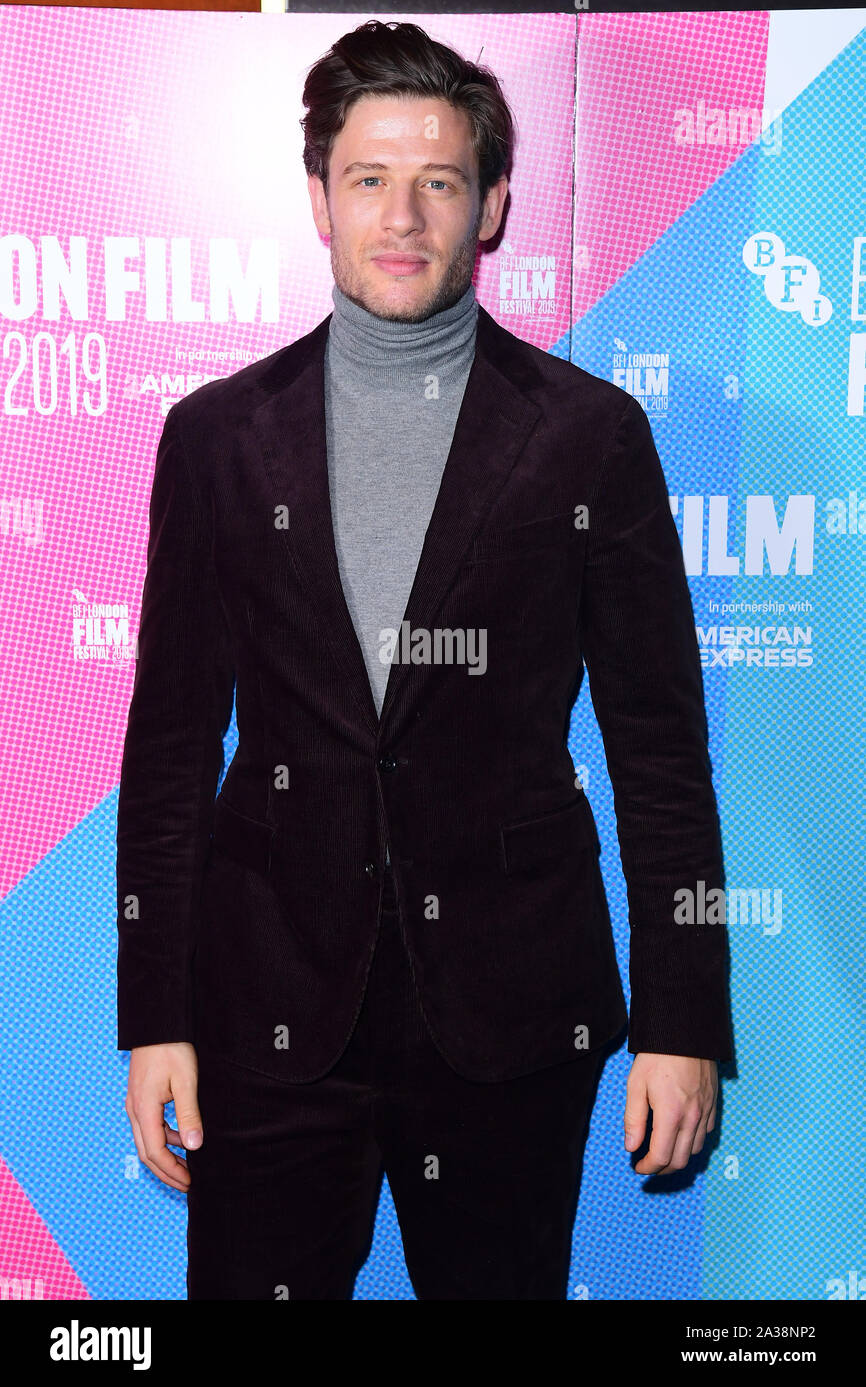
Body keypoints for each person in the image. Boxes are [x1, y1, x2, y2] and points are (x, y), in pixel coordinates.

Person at [117, 20, 733, 1300]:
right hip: (269, 1016)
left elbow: (659, 754)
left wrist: (683, 1022)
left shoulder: (588, 441)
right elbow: (170, 754)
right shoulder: (219, 439)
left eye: (439, 180)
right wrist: (154, 1017)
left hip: (512, 1019)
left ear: (492, 202)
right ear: (318, 199)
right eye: (368, 178)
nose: (401, 215)